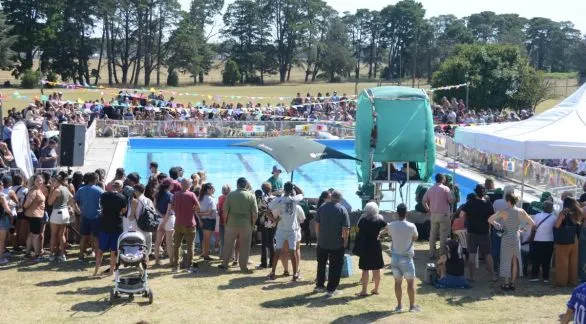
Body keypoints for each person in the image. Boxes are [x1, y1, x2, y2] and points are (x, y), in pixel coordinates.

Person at [488, 194, 535, 291]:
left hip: (506, 237)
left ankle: (506, 283)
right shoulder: (521, 211)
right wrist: (524, 229)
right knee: (514, 261)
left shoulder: (504, 211)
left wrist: (498, 226)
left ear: (508, 201)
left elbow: (490, 220)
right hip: (516, 237)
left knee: (505, 261)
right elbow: (532, 223)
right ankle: (512, 283)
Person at [314, 190, 350, 296]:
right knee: (335, 266)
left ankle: (320, 285)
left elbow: (317, 224)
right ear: (340, 198)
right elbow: (345, 228)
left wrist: (318, 237)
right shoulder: (342, 209)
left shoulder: (322, 207)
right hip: (336, 243)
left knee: (321, 263)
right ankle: (331, 289)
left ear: (331, 197)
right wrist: (345, 241)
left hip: (322, 241)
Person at [386, 203, 420, 312]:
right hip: (406, 258)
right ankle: (412, 306)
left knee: (397, 283)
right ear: (407, 213)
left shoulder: (392, 225)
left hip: (395, 258)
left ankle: (399, 306)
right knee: (410, 283)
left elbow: (389, 233)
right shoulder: (411, 226)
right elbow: (415, 237)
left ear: (397, 213)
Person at [267, 182, 304, 280]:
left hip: (281, 229)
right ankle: (295, 274)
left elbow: (267, 210)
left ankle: (273, 272)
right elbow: (302, 194)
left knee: (278, 251)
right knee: (293, 252)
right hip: (292, 230)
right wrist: (296, 186)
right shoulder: (295, 199)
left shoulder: (278, 200)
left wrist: (274, 220)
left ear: (284, 189)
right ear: (292, 190)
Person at [219, 177, 258, 272]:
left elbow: (225, 211)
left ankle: (225, 264)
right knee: (245, 245)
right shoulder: (251, 196)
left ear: (237, 184)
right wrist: (252, 224)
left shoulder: (231, 195)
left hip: (231, 223)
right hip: (246, 224)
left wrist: (225, 222)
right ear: (246, 185)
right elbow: (255, 213)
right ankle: (243, 266)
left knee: (228, 244)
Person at [460, 184, 495, 282]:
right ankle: (492, 276)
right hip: (484, 232)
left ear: (475, 192)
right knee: (488, 255)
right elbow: (491, 218)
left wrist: (469, 216)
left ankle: (471, 277)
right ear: (484, 193)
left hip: (471, 232)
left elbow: (461, 214)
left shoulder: (469, 203)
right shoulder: (488, 204)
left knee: (471, 255)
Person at [95, 180, 127, 276]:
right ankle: (111, 271)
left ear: (111, 186)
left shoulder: (104, 196)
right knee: (114, 251)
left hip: (105, 225)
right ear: (121, 188)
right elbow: (123, 211)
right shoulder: (122, 198)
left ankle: (96, 270)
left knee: (100, 249)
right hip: (116, 226)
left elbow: (102, 207)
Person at [355, 202, 387, 296]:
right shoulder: (379, 220)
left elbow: (358, 228)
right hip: (376, 246)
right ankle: (376, 289)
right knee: (376, 269)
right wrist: (380, 233)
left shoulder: (363, 220)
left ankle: (364, 291)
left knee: (365, 270)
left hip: (365, 246)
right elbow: (388, 227)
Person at [170, 178, 199, 272]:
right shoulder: (191, 194)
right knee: (190, 245)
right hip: (190, 224)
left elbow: (172, 206)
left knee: (177, 245)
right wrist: (192, 210)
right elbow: (198, 207)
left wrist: (178, 211)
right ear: (189, 185)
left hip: (178, 223)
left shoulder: (176, 194)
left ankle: (176, 266)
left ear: (181, 185)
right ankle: (189, 266)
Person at [423, 173, 454, 260]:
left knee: (432, 234)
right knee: (443, 235)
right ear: (443, 179)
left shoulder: (430, 189)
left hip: (433, 214)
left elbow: (424, 200)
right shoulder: (446, 189)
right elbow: (451, 200)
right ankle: (441, 254)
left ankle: (431, 253)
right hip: (444, 214)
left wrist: (428, 209)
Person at [74, 172, 104, 262]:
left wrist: (77, 210)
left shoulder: (81, 189)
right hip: (96, 217)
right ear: (96, 179)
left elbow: (72, 201)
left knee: (84, 237)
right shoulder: (99, 190)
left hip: (85, 216)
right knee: (96, 238)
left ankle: (80, 256)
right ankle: (97, 258)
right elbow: (104, 203)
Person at [554, 197, 582, 287]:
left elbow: (557, 225)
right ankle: (572, 281)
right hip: (574, 239)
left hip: (564, 240)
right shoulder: (577, 213)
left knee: (562, 262)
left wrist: (560, 216)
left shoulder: (564, 213)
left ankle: (562, 282)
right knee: (573, 262)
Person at [47, 172, 73, 262]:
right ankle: (62, 254)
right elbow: (72, 198)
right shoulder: (65, 188)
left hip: (57, 212)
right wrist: (67, 205)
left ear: (57, 181)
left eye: (53, 181)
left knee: (53, 235)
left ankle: (51, 255)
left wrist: (51, 191)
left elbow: (49, 202)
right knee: (61, 235)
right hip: (65, 212)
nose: (52, 183)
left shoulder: (56, 190)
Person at [529, 201, 556, 283]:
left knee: (536, 259)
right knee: (547, 260)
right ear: (551, 209)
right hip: (549, 240)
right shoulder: (554, 218)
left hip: (538, 239)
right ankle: (545, 277)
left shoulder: (537, 216)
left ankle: (535, 276)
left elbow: (533, 228)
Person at [127, 184, 154, 260]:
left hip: (138, 229)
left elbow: (131, 217)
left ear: (135, 191)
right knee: (147, 250)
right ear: (144, 190)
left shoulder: (134, 201)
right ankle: (145, 266)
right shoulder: (149, 200)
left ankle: (140, 264)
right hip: (148, 228)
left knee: (138, 249)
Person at [23, 175, 46, 261]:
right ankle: (37, 255)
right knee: (36, 235)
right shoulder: (34, 191)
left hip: (35, 215)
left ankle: (27, 252)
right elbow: (26, 204)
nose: (40, 182)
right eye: (37, 181)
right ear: (34, 182)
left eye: (40, 180)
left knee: (32, 234)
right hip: (35, 216)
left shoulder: (38, 190)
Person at [154, 179, 175, 266]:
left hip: (160, 218)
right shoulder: (171, 195)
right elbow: (169, 210)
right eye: (172, 185)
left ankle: (157, 260)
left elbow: (155, 207)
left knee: (158, 241)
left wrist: (161, 217)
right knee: (169, 241)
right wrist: (164, 221)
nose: (173, 186)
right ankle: (171, 261)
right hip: (169, 219)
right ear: (169, 186)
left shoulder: (157, 194)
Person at [256, 183, 275, 269]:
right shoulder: (275, 198)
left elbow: (260, 211)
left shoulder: (261, 199)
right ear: (270, 189)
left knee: (264, 243)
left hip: (265, 223)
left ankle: (264, 263)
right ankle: (272, 262)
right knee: (271, 242)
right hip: (273, 223)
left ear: (262, 189)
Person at [198, 183, 217, 261]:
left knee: (204, 239)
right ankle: (206, 255)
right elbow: (209, 212)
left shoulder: (200, 198)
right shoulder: (211, 199)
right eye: (213, 189)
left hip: (202, 220)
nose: (214, 190)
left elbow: (196, 211)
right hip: (209, 221)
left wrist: (200, 217)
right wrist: (202, 214)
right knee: (207, 239)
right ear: (208, 190)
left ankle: (203, 253)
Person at [0, 183, 13, 265]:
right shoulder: (1, 196)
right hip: (2, 219)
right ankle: (0, 258)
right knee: (1, 241)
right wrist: (12, 215)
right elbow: (7, 209)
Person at [217, 184, 230, 256]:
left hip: (221, 221)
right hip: (229, 221)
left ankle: (222, 254)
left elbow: (219, 209)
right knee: (230, 239)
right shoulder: (230, 198)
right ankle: (230, 255)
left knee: (222, 239)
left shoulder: (220, 198)